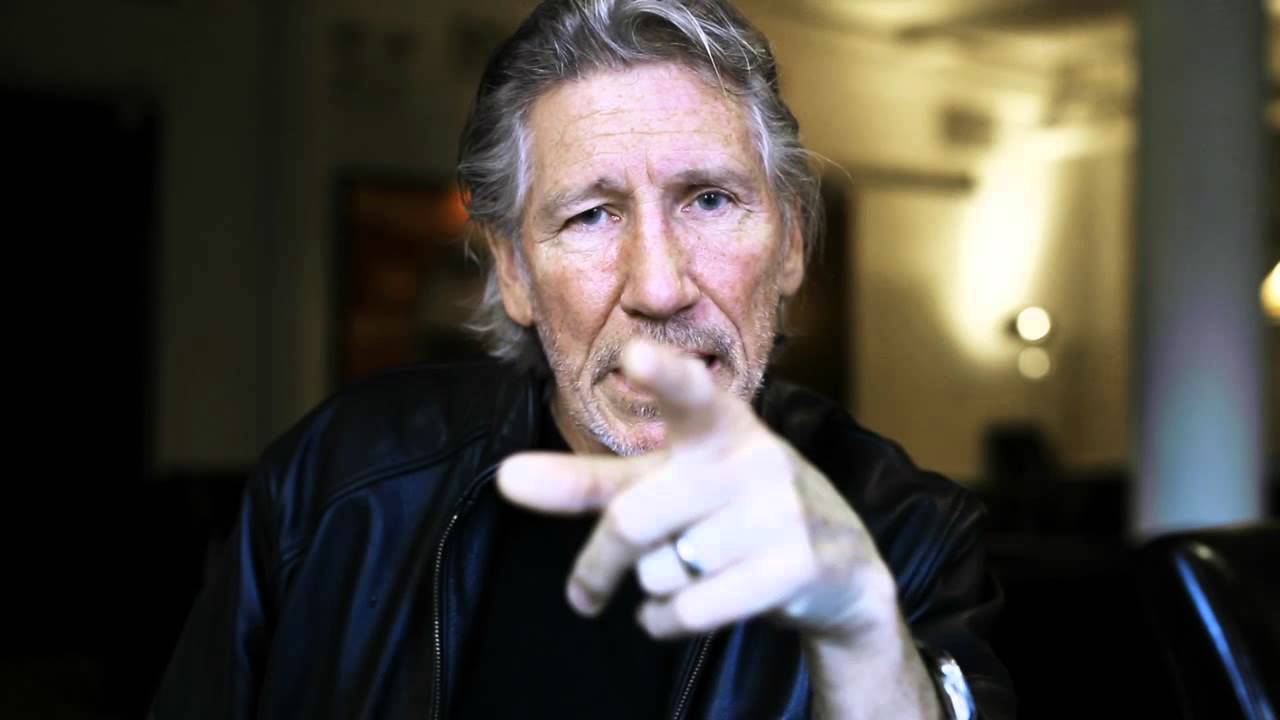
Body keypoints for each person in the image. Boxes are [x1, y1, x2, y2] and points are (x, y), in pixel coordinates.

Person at [151, 1, 1013, 718]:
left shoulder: (911, 536)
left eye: (710, 200)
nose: (659, 287)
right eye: (591, 216)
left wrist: (862, 633)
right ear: (515, 273)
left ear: (789, 246)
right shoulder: (334, 483)